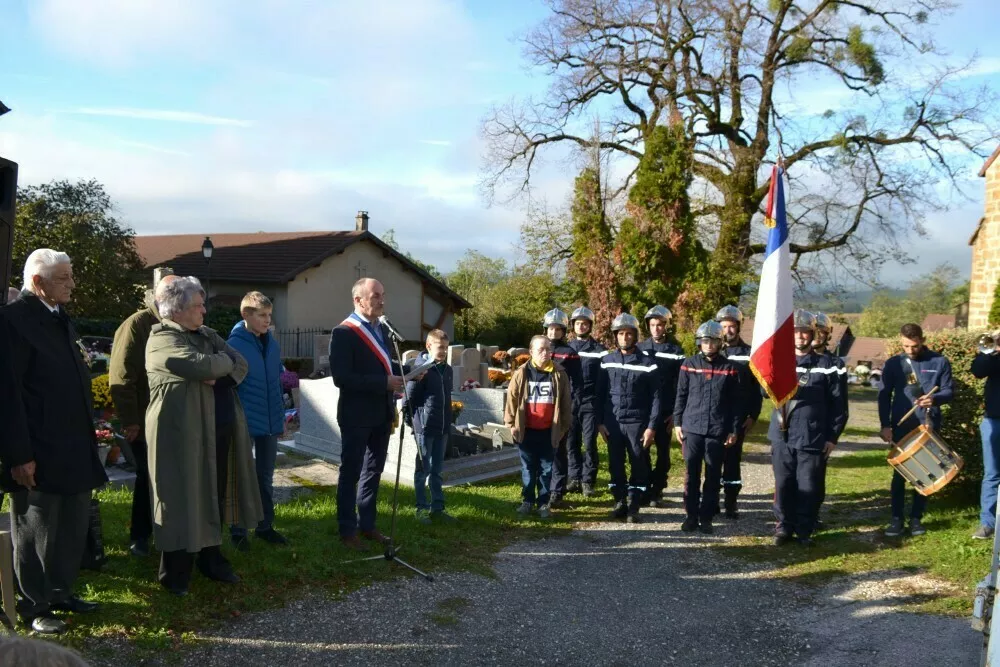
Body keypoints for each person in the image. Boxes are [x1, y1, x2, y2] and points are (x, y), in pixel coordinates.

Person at [2, 249, 107, 634]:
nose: (73, 285)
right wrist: (19, 455)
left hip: (73, 444)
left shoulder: (59, 318)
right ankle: (35, 604)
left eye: (71, 276)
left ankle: (62, 591)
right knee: (36, 527)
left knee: (72, 523)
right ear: (38, 283)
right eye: (63, 279)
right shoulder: (14, 321)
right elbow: (9, 393)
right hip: (38, 448)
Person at [145, 277, 263, 595]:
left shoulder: (206, 334)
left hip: (217, 429)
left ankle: (212, 560)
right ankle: (175, 572)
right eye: (198, 306)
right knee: (180, 497)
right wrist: (218, 366)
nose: (204, 311)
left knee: (214, 491)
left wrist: (219, 372)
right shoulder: (162, 339)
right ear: (178, 310)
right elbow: (203, 365)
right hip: (181, 435)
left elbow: (241, 364)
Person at [329, 278, 418, 550]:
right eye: (376, 295)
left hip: (381, 413)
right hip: (356, 415)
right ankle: (347, 530)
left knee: (373, 470)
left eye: (383, 294)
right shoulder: (344, 332)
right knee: (351, 472)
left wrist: (408, 368)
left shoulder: (382, 329)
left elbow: (382, 364)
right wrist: (383, 383)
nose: (382, 300)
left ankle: (367, 524)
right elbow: (342, 377)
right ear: (359, 300)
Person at [109, 272, 179, 558]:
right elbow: (122, 375)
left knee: (167, 477)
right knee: (146, 477)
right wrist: (130, 421)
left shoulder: (176, 324)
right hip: (145, 417)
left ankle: (167, 530)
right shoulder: (138, 324)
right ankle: (139, 536)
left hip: (171, 417)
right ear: (160, 297)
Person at [769, 310, 846, 546]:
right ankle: (784, 527)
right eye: (796, 333)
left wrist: (832, 437)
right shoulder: (779, 361)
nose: (800, 337)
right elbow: (765, 392)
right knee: (783, 484)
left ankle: (805, 529)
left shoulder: (829, 365)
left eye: (804, 333)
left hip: (813, 435)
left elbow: (839, 406)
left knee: (808, 485)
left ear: (812, 335)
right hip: (782, 434)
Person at [879, 323, 954, 537]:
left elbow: (949, 391)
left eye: (913, 346)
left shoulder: (939, 361)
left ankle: (916, 519)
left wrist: (934, 399)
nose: (909, 350)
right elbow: (884, 396)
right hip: (902, 425)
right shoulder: (894, 364)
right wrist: (885, 425)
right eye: (905, 346)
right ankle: (896, 519)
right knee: (900, 475)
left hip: (929, 425)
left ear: (921, 340)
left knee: (926, 472)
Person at [227, 291, 289, 550]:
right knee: (241, 476)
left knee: (265, 476)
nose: (267, 321)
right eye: (262, 316)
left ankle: (265, 526)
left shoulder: (271, 344)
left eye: (269, 315)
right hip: (244, 422)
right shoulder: (233, 345)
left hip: (270, 422)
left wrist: (280, 420)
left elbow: (275, 382)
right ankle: (238, 530)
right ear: (246, 315)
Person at [673, 320, 740, 534]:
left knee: (712, 475)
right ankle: (690, 516)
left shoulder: (730, 369)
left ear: (720, 343)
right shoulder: (688, 364)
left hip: (717, 430)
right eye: (705, 341)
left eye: (713, 341)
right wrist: (677, 423)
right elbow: (681, 395)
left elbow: (734, 404)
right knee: (691, 474)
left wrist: (733, 429)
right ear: (699, 342)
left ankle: (706, 517)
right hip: (692, 427)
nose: (709, 345)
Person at [597, 313, 661, 523]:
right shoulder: (607, 361)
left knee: (638, 464)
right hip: (613, 424)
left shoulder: (648, 363)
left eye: (629, 334)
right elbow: (600, 395)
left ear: (635, 336)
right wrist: (600, 422)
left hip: (637, 424)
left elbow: (656, 398)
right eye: (621, 334)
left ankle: (634, 505)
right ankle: (620, 502)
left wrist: (651, 427)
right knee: (616, 464)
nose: (625, 338)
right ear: (615, 336)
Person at [504, 335, 572, 518]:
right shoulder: (521, 373)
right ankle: (527, 501)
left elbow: (566, 403)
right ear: (531, 352)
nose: (545, 353)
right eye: (541, 349)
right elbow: (511, 400)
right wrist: (511, 424)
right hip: (526, 430)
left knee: (546, 469)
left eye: (548, 349)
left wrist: (563, 427)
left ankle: (543, 503)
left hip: (549, 431)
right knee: (528, 468)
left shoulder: (559, 373)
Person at [715, 305, 762, 519]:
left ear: (738, 327)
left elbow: (757, 388)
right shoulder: (712, 352)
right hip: (715, 416)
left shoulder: (750, 354)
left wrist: (753, 415)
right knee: (713, 459)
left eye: (731, 326)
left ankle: (731, 502)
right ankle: (711, 499)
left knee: (732, 459)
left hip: (739, 417)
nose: (727, 330)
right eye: (723, 326)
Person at [405, 329, 455, 524]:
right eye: (440, 347)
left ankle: (438, 508)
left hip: (442, 427)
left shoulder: (447, 369)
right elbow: (409, 399)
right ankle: (421, 508)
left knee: (437, 471)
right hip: (425, 428)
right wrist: (416, 423)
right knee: (423, 469)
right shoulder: (421, 369)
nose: (443, 351)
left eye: (446, 348)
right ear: (429, 346)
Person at [637, 305, 685, 508]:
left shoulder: (676, 351)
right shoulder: (640, 348)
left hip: (666, 411)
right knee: (643, 450)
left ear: (666, 326)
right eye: (653, 325)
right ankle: (646, 488)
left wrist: (676, 413)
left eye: (660, 325)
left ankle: (658, 488)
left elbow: (681, 385)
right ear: (648, 326)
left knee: (664, 454)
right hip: (645, 410)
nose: (656, 328)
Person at [811, 311, 848, 527]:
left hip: (821, 431)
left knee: (815, 476)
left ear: (828, 334)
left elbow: (840, 405)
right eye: (813, 331)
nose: (816, 335)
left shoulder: (835, 363)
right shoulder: (792, 359)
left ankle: (812, 516)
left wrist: (833, 436)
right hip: (794, 429)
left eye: (821, 331)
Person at [543, 308, 582, 507]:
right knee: (543, 451)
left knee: (559, 451)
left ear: (564, 331)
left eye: (557, 329)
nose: (553, 333)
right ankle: (543, 489)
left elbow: (577, 384)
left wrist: (571, 408)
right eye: (550, 328)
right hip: (541, 409)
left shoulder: (570, 354)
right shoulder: (540, 350)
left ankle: (557, 491)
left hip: (562, 408)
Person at [567, 306, 606, 497]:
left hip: (590, 403)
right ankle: (574, 477)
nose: (581, 326)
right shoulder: (567, 349)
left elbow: (603, 381)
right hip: (571, 402)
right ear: (573, 326)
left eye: (585, 323)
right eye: (578, 323)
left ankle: (588, 480)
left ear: (590, 326)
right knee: (571, 441)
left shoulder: (600, 350)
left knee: (589, 443)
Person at [973, 336, 1000, 539]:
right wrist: (990, 350)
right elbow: (977, 371)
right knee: (991, 475)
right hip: (993, 421)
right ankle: (987, 524)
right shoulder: (994, 358)